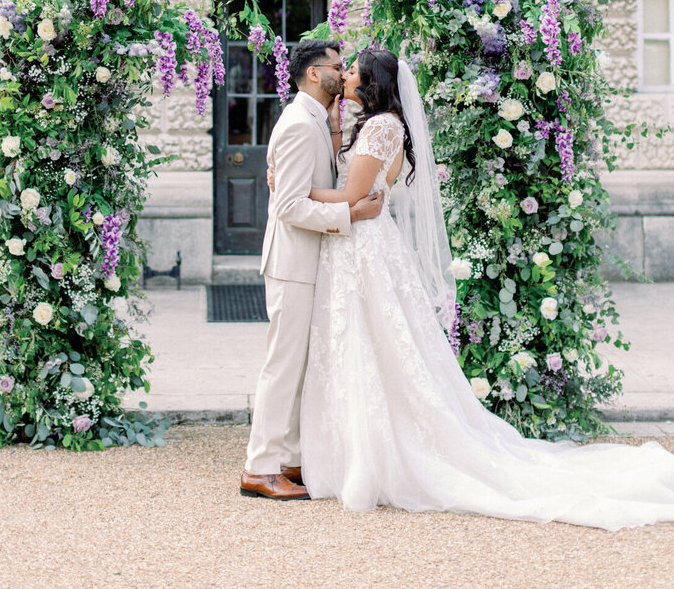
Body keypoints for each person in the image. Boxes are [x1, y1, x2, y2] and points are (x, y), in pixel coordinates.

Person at [287, 47, 674, 529]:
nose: (343, 76)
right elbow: (359, 187)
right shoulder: (377, 123)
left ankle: (371, 456)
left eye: (352, 72)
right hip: (361, 244)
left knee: (370, 343)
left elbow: (349, 197)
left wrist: (291, 188)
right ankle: (348, 449)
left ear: (371, 84)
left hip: (361, 247)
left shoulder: (382, 126)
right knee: (364, 344)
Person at [240, 39, 385, 501]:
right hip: (292, 263)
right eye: (337, 68)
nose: (343, 75)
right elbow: (289, 207)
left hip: (309, 260)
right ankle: (259, 468)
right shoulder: (301, 124)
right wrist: (351, 216)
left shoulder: (318, 120)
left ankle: (289, 459)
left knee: (299, 368)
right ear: (312, 75)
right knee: (282, 367)